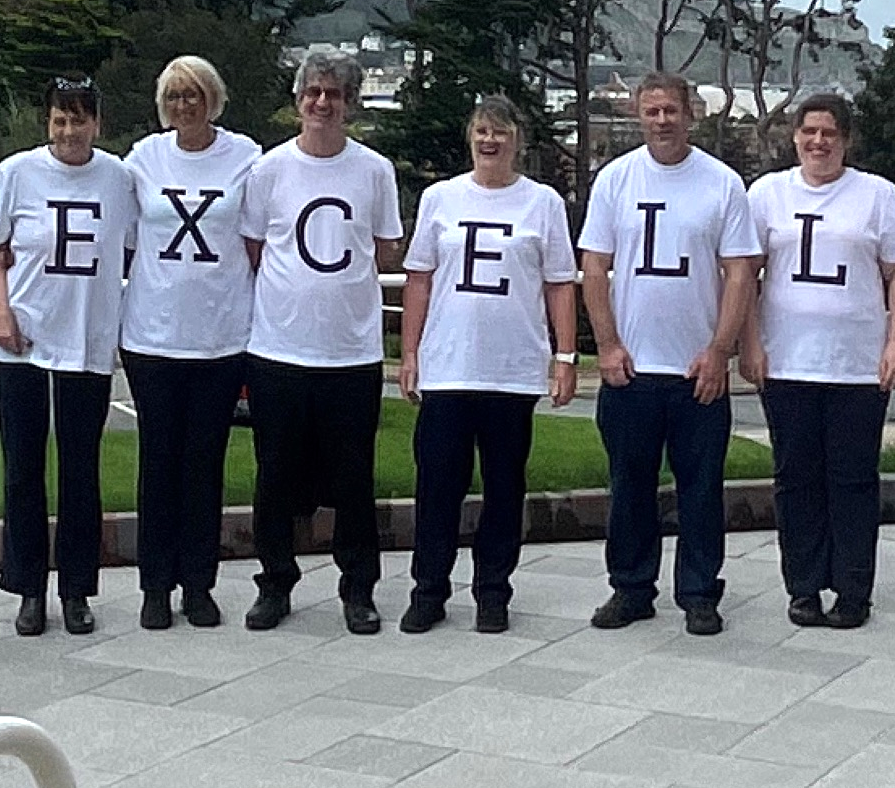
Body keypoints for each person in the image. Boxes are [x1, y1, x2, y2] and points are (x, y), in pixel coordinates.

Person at [580, 73, 762, 637]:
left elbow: (740, 272)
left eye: (672, 111)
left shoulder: (721, 183)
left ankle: (700, 593)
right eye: (652, 111)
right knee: (628, 485)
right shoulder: (616, 180)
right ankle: (631, 588)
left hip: (697, 371)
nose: (663, 121)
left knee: (701, 488)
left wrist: (720, 350)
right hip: (632, 367)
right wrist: (606, 345)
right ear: (639, 115)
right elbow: (594, 267)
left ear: (692, 114)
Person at [397, 96, 578, 636]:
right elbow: (420, 278)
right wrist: (409, 354)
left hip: (511, 368)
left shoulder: (541, 203)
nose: (489, 140)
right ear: (469, 137)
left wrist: (564, 356)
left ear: (517, 140)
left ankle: (493, 591)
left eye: (499, 131)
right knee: (437, 488)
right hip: (449, 366)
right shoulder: (440, 197)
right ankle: (428, 590)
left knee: (504, 488)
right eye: (480, 130)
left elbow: (559, 284)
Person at [239, 47, 403, 636]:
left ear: (350, 104)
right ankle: (274, 583)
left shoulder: (374, 170)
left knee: (353, 478)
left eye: (334, 94)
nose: (322, 103)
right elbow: (256, 249)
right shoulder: (269, 170)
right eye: (313, 92)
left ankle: (358, 589)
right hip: (279, 352)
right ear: (298, 99)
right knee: (274, 476)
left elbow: (383, 249)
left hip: (351, 356)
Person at [743, 93, 895, 629]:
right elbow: (742, 272)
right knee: (795, 478)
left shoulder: (875, 195)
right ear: (793, 136)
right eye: (809, 132)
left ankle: (853, 587)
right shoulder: (767, 194)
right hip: (789, 362)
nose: (818, 142)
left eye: (830, 133)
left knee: (853, 478)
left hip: (855, 366)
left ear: (846, 140)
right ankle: (802, 585)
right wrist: (749, 343)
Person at [0, 75, 136, 637]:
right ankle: (28, 588)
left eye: (79, 119)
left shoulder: (119, 178)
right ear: (48, 122)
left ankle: (76, 589)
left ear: (97, 123)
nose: (69, 131)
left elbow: (139, 247)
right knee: (22, 470)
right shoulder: (17, 172)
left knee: (80, 469)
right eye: (59, 120)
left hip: (86, 338)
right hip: (23, 336)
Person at [121, 56, 261, 632]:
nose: (185, 105)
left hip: (221, 337)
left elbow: (256, 241)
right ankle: (155, 584)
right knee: (159, 462)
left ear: (214, 98)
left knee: (205, 463)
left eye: (195, 94)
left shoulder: (247, 158)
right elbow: (124, 234)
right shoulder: (143, 160)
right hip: (153, 335)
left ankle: (198, 584)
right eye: (175, 95)